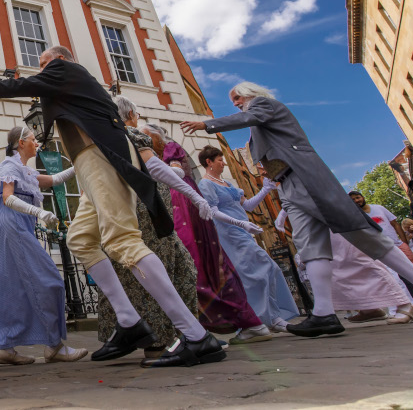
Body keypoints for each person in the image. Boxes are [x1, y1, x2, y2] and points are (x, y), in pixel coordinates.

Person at [0, 46, 226, 368]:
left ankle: (195, 336)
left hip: (99, 155)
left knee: (122, 240)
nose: (44, 70)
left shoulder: (65, 70)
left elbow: (28, 84)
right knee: (81, 239)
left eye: (45, 63)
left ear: (60, 60)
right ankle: (129, 321)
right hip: (90, 161)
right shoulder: (64, 88)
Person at [181, 81, 413, 338]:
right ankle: (324, 314)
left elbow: (252, 117)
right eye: (234, 101)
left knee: (359, 232)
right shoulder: (259, 123)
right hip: (289, 183)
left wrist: (206, 124)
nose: (236, 103)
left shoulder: (263, 104)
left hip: (304, 177)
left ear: (250, 94)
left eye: (237, 98)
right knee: (311, 246)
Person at [111, 97, 265, 344]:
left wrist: (172, 178)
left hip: (180, 205)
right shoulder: (133, 141)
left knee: (192, 263)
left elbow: (173, 172)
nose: (142, 131)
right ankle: (197, 327)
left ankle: (199, 329)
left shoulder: (164, 147)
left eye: (147, 135)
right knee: (191, 265)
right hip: (173, 204)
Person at [0, 126, 81, 365]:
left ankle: (5, 347)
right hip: (11, 227)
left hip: (14, 227)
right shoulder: (9, 166)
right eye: (33, 139)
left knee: (11, 286)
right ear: (21, 143)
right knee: (49, 279)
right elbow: (7, 197)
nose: (37, 143)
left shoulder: (23, 170)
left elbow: (55, 179)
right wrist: (39, 212)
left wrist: (83, 162)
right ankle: (54, 346)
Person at [92, 119, 200, 358]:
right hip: (143, 213)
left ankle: (188, 335)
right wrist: (192, 193)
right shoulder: (127, 133)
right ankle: (161, 341)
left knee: (180, 271)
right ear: (129, 115)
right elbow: (152, 166)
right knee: (153, 276)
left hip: (153, 213)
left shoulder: (120, 135)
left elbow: (154, 165)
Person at [196, 145, 299, 335]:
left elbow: (249, 206)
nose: (223, 162)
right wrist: (241, 224)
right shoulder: (206, 184)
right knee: (256, 273)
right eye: (219, 160)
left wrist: (266, 190)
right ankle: (261, 319)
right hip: (229, 234)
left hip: (243, 232)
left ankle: (271, 317)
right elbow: (213, 211)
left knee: (265, 270)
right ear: (208, 162)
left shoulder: (226, 183)